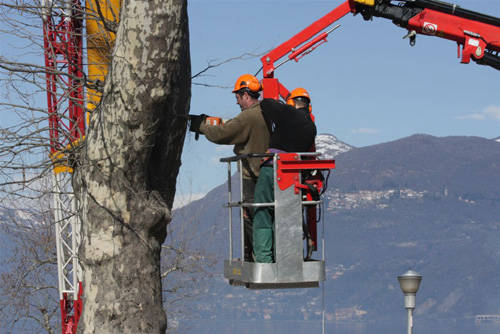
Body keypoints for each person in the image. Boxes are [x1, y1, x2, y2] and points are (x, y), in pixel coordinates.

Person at [189, 74, 270, 262]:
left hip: (253, 174)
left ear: (245, 95)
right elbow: (233, 125)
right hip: (267, 173)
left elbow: (223, 134)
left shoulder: (248, 117)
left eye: (237, 97)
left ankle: (256, 257)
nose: (237, 102)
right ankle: (261, 255)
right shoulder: (263, 113)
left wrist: (201, 125)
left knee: (251, 214)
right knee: (265, 213)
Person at [252, 88, 317, 263]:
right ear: (308, 107)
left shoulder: (288, 113)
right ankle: (286, 257)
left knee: (263, 211)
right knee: (285, 215)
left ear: (292, 103)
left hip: (271, 169)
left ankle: (264, 258)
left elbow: (266, 104)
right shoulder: (311, 128)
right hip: (293, 175)